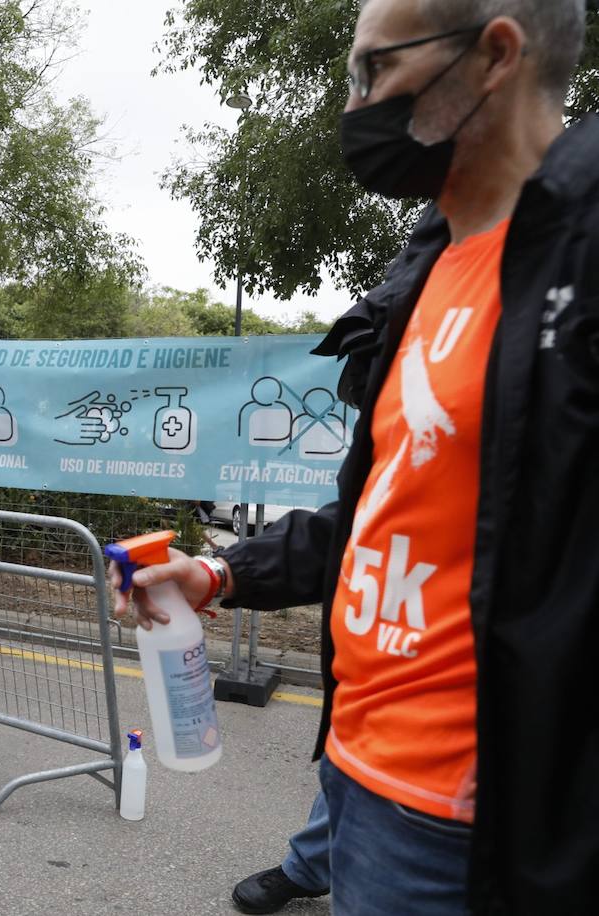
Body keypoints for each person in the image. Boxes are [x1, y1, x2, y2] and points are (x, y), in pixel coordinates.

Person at [117, 1, 594, 911]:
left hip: (474, 822)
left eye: (375, 71)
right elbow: (384, 508)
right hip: (359, 770)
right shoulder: (421, 274)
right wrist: (217, 574)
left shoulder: (582, 264)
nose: (355, 104)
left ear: (495, 55)